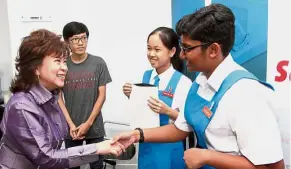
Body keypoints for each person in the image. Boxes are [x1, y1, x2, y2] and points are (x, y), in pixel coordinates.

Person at [114, 4, 285, 169]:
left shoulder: (247, 95)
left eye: (187, 48)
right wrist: (137, 135)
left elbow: (272, 166)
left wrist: (208, 156)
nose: (181, 55)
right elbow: (179, 128)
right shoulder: (200, 82)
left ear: (213, 50)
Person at [0, 29, 125, 169]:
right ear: (35, 67)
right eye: (57, 61)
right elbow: (46, 157)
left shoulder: (51, 98)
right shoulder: (21, 106)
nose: (64, 68)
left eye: (65, 61)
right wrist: (96, 148)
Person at [123, 27, 192, 169]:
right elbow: (143, 111)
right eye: (149, 48)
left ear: (172, 52)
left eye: (157, 49)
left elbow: (189, 124)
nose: (151, 54)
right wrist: (132, 95)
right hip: (146, 144)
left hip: (169, 148)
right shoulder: (147, 76)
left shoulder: (183, 82)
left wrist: (167, 111)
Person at [58, 21, 112, 169]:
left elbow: (102, 96)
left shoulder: (98, 63)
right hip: (72, 129)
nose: (81, 43)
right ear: (67, 42)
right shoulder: (62, 65)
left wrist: (88, 124)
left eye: (84, 38)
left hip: (94, 127)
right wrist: (70, 124)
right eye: (75, 39)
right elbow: (58, 98)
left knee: (96, 166)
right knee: (72, 165)